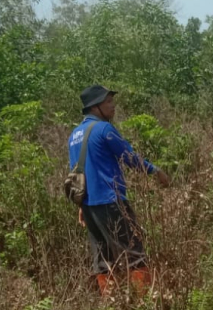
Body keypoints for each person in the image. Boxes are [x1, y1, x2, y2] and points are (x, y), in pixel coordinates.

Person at [68, 84, 170, 297]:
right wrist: (156, 171)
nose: (113, 107)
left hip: (88, 206)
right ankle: (145, 301)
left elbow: (76, 172)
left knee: (103, 258)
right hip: (110, 202)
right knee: (133, 252)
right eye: (109, 102)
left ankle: (112, 301)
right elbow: (130, 158)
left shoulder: (74, 135)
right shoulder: (104, 129)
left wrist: (80, 207)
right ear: (96, 107)